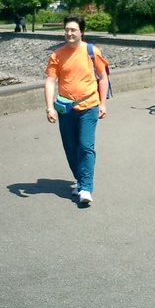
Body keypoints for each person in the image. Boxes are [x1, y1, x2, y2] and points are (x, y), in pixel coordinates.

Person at [44, 15, 109, 205]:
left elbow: (103, 78)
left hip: (89, 106)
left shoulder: (92, 51)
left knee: (85, 146)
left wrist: (102, 103)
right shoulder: (57, 55)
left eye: (73, 30)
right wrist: (49, 107)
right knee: (71, 147)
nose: (69, 33)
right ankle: (80, 180)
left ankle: (86, 188)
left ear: (81, 31)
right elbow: (50, 82)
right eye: (67, 30)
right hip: (65, 109)